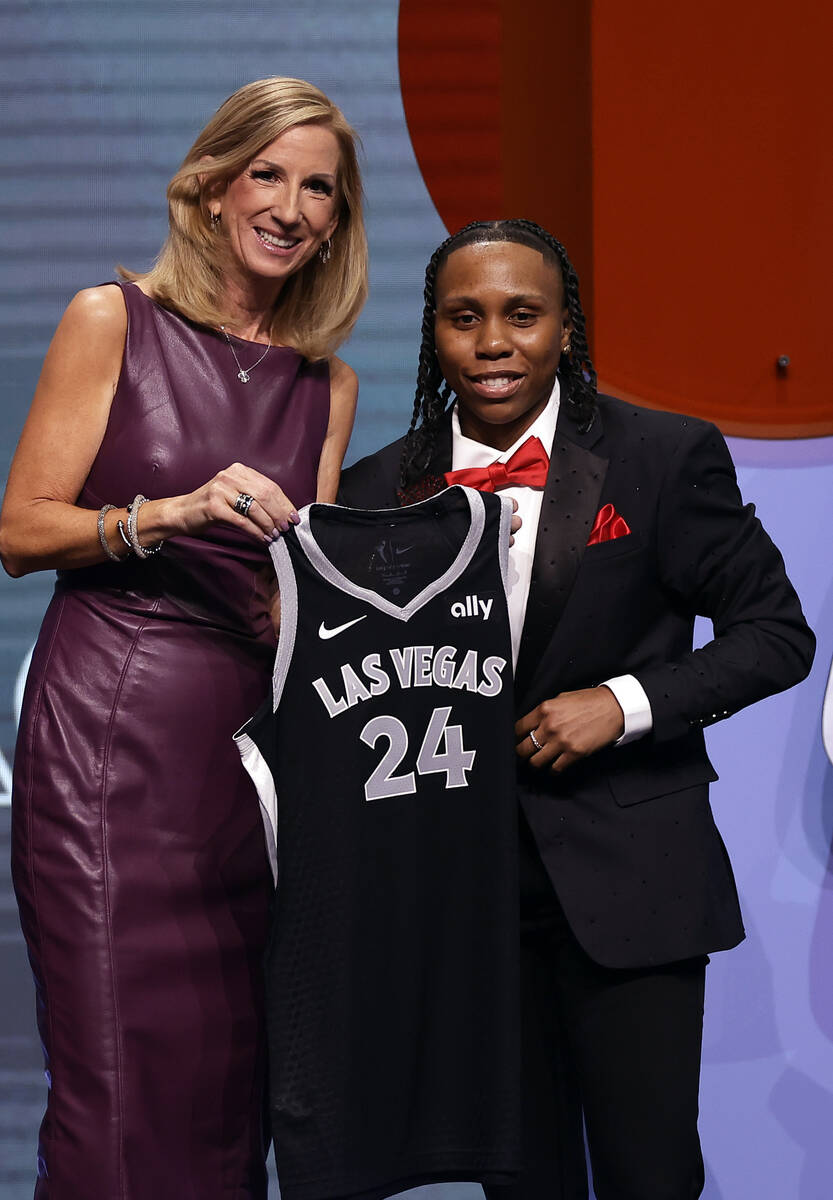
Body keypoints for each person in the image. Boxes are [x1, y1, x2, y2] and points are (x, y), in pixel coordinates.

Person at [337, 219, 815, 1200]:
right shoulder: (372, 490)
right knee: (518, 1183)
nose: (493, 341)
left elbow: (775, 633)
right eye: (464, 318)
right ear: (432, 333)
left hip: (631, 882)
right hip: (461, 902)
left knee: (649, 1178)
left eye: (521, 314)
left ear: (564, 328)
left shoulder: (661, 457)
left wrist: (624, 702)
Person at [0, 77, 367, 1200]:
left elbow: (289, 597)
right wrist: (174, 512)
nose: (291, 206)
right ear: (211, 189)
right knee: (118, 1077)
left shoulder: (326, 384)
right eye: (268, 174)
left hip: (247, 769)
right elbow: (23, 532)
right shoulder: (110, 319)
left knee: (226, 1084)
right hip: (109, 743)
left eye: (320, 189)